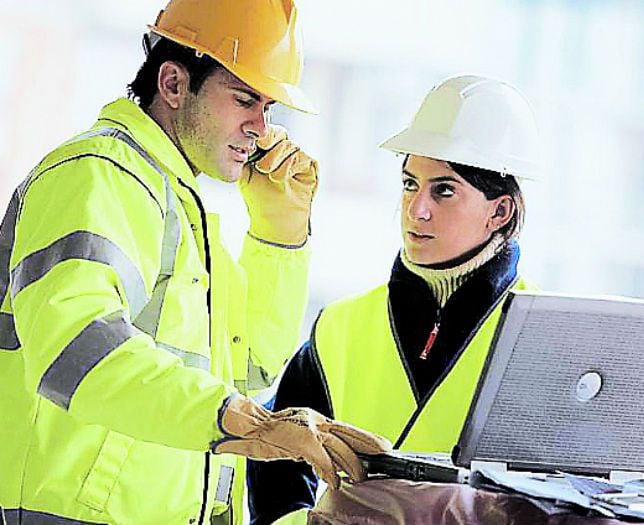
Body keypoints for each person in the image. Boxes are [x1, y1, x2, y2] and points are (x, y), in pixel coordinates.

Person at [0, 1, 389, 524]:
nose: (260, 127)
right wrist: (244, 423)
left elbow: (250, 368)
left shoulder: (185, 209)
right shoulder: (99, 175)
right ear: (174, 84)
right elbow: (75, 348)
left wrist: (279, 235)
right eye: (244, 99)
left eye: (268, 108)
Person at [247, 75, 541, 525]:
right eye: (409, 184)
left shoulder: (543, 336)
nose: (416, 209)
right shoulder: (340, 327)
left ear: (499, 212)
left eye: (444, 190)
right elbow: (274, 463)